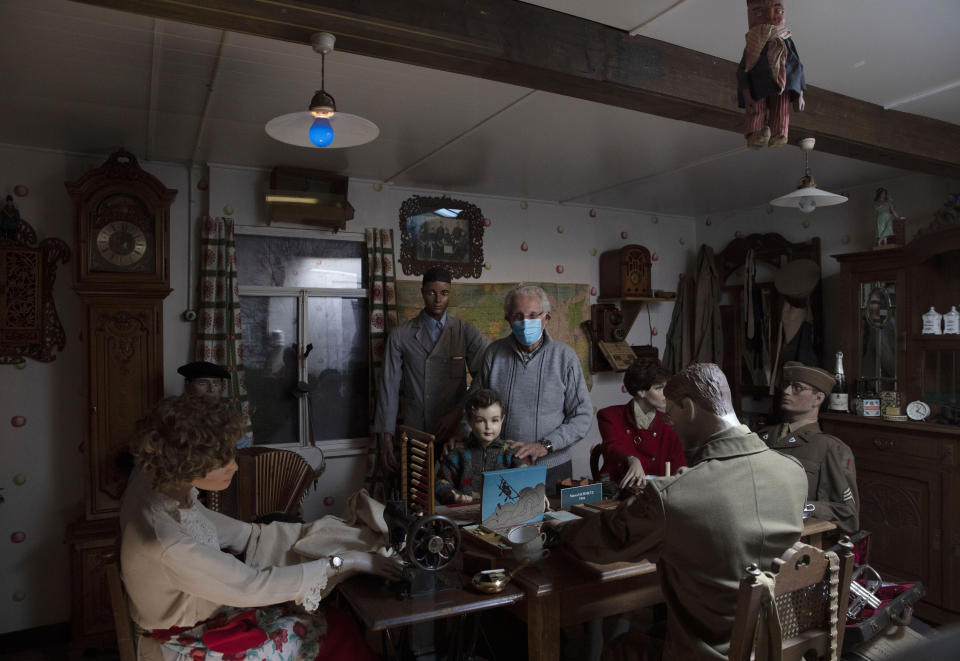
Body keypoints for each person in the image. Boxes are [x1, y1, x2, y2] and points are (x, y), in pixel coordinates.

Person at [120, 396, 403, 661]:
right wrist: (345, 561)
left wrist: (319, 535)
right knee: (330, 631)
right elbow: (252, 584)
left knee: (332, 620)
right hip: (187, 640)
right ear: (188, 465)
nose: (234, 466)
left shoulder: (160, 488)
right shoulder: (166, 542)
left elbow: (240, 534)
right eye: (223, 462)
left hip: (200, 611)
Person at [557, 363, 807, 660]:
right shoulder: (793, 472)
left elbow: (601, 542)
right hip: (772, 643)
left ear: (688, 407)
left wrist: (557, 531)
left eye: (672, 415)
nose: (670, 425)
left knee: (620, 649)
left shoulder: (675, 496)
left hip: (711, 652)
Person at [473, 284, 592, 489]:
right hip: (501, 466)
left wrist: (545, 445)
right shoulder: (493, 354)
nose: (525, 322)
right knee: (503, 520)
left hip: (553, 468)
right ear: (508, 319)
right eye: (518, 316)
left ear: (546, 319)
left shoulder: (565, 357)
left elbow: (582, 416)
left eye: (533, 315)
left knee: (556, 521)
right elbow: (472, 405)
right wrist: (463, 437)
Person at [374, 266, 486, 472]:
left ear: (449, 294)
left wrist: (459, 411)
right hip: (417, 431)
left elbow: (483, 379)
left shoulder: (466, 332)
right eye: (431, 292)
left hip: (456, 431)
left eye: (444, 293)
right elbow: (389, 388)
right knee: (418, 495)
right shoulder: (401, 335)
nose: (437, 299)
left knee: (456, 495)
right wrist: (386, 436)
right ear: (422, 292)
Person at [759, 361, 860, 534]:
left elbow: (848, 515)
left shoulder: (830, 448)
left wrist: (804, 508)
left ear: (818, 398)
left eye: (797, 388)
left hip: (796, 536)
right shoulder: (762, 436)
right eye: (786, 386)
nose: (786, 392)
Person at [597, 362, 686, 489]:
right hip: (615, 491)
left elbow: (679, 468)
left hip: (655, 494)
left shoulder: (670, 424)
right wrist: (632, 459)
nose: (666, 394)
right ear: (641, 392)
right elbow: (611, 447)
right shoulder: (609, 415)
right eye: (659, 388)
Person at [436, 388, 529, 505]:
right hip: (465, 516)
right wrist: (453, 496)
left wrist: (536, 493)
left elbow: (528, 478)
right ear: (470, 421)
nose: (488, 426)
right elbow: (440, 483)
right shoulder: (457, 452)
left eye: (494, 420)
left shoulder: (512, 452)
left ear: (502, 419)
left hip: (503, 516)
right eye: (480, 421)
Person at [737, 0, 806, 149]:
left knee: (781, 107)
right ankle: (756, 132)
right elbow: (743, 69)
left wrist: (799, 93)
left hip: (783, 83)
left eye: (777, 11)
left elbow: (796, 65)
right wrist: (747, 95)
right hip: (757, 84)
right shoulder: (752, 45)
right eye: (759, 12)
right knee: (756, 107)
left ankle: (779, 133)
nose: (769, 16)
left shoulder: (786, 41)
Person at [178, 360, 252, 448]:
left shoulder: (226, 415)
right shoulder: (176, 414)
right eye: (203, 383)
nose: (211, 389)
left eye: (216, 384)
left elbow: (243, 444)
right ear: (187, 385)